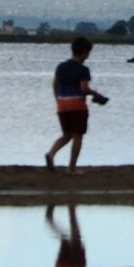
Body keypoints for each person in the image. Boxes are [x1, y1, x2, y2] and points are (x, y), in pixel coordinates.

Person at [45, 36, 107, 172]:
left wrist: (58, 99)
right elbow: (84, 88)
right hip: (77, 105)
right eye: (88, 53)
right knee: (78, 136)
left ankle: (51, 154)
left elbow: (55, 84)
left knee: (67, 135)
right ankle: (71, 168)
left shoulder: (61, 67)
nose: (88, 56)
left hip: (62, 104)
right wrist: (96, 95)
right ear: (84, 52)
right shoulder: (83, 70)